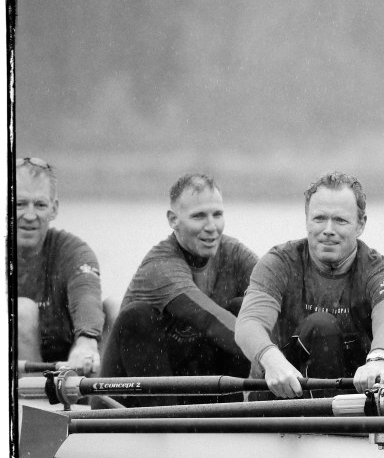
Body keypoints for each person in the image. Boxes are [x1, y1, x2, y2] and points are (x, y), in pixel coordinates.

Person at [235, 172, 384, 399]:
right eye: (319, 219)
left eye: (340, 220)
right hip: (280, 392)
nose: (328, 229)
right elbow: (249, 323)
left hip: (352, 393)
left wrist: (379, 358)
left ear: (360, 225)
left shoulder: (377, 272)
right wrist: (271, 359)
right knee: (321, 325)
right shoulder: (279, 263)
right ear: (306, 220)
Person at [96, 173, 258, 407]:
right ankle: (170, 421)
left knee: (245, 309)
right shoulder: (160, 266)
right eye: (199, 216)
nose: (211, 227)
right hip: (127, 401)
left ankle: (230, 414)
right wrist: (269, 355)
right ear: (173, 220)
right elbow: (211, 320)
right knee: (138, 316)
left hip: (189, 390)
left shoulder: (233, 253)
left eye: (217, 214)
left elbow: (275, 294)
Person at [16, 157, 111, 376]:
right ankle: (33, 395)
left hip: (70, 369)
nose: (29, 215)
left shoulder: (74, 251)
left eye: (40, 205)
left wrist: (87, 339)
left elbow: (86, 295)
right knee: (23, 311)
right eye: (19, 204)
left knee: (116, 309)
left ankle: (100, 395)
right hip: (12, 377)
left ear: (54, 209)